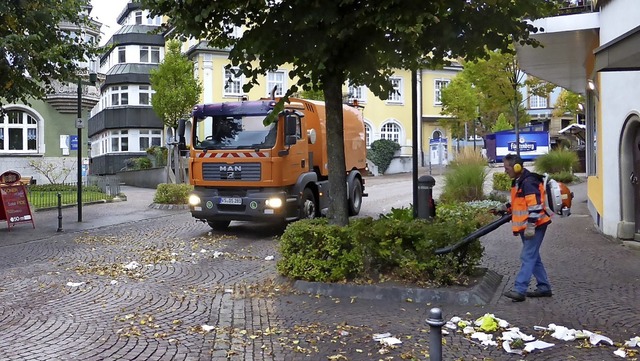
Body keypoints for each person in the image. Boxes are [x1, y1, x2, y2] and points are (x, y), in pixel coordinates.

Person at [500, 153, 553, 302]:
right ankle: (544, 287)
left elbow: (535, 205)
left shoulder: (528, 182)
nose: (505, 171)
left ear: (517, 167)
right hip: (528, 226)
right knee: (533, 257)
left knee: (527, 256)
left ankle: (519, 290)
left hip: (535, 225)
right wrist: (506, 208)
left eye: (507, 168)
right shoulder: (518, 181)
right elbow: (520, 202)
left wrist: (531, 226)